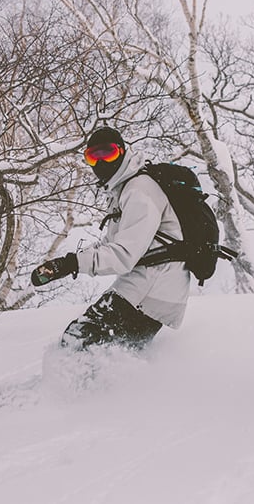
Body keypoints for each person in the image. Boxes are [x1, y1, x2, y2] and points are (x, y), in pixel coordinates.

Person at [31, 127, 190, 350]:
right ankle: (124, 383)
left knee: (78, 339)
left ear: (123, 152)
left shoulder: (140, 190)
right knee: (111, 350)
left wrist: (71, 264)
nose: (101, 163)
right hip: (150, 287)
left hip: (152, 289)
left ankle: (74, 385)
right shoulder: (125, 190)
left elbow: (124, 254)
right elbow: (111, 243)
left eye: (109, 154)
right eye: (92, 157)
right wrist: (69, 261)